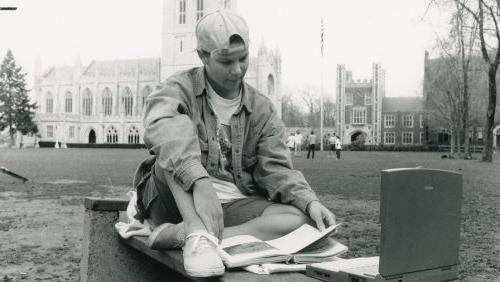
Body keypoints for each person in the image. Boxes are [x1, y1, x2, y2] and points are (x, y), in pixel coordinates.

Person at [133, 10, 336, 278]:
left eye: (243, 59)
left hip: (228, 205)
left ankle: (192, 235)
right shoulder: (177, 88)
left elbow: (277, 169)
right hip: (173, 196)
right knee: (173, 142)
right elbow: (162, 127)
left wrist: (309, 202)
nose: (237, 70)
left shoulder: (261, 108)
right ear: (203, 56)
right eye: (226, 61)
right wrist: (199, 181)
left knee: (301, 219)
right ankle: (194, 227)